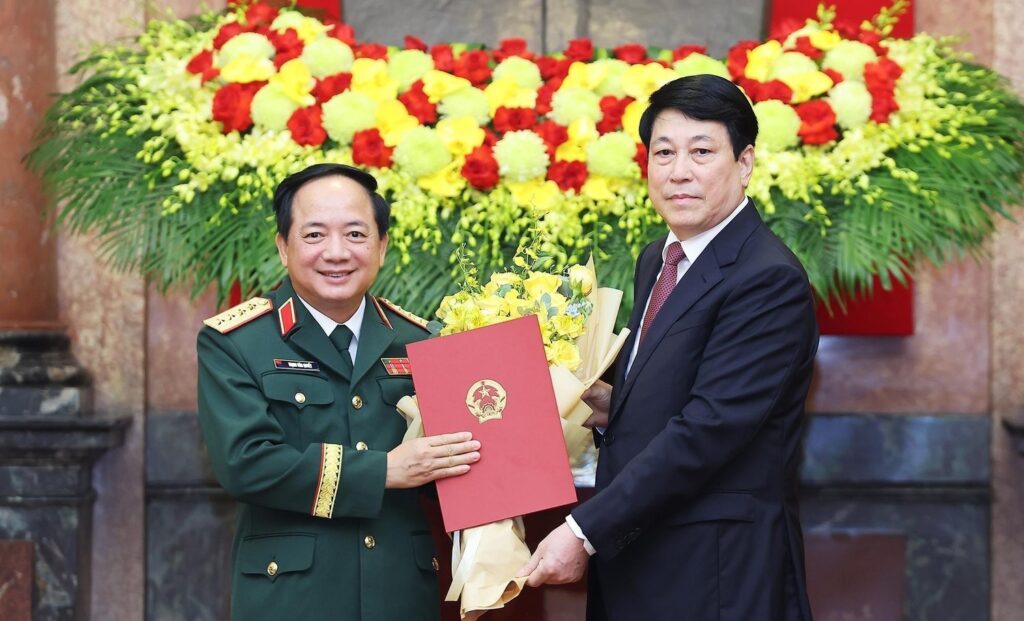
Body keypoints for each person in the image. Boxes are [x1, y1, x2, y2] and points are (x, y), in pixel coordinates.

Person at [518, 74, 819, 621]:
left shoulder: (766, 278)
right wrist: (614, 406)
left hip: (716, 574)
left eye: (701, 152)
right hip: (641, 558)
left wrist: (583, 530)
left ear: (745, 163)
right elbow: (680, 386)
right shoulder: (659, 257)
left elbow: (709, 429)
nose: (679, 171)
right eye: (664, 152)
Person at [197, 163, 481, 620]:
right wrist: (384, 470)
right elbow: (245, 463)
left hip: (401, 597)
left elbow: (453, 465)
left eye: (355, 234)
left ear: (381, 246)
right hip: (292, 601)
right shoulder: (237, 341)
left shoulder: (420, 340)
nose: (336, 252)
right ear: (283, 248)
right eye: (314, 235)